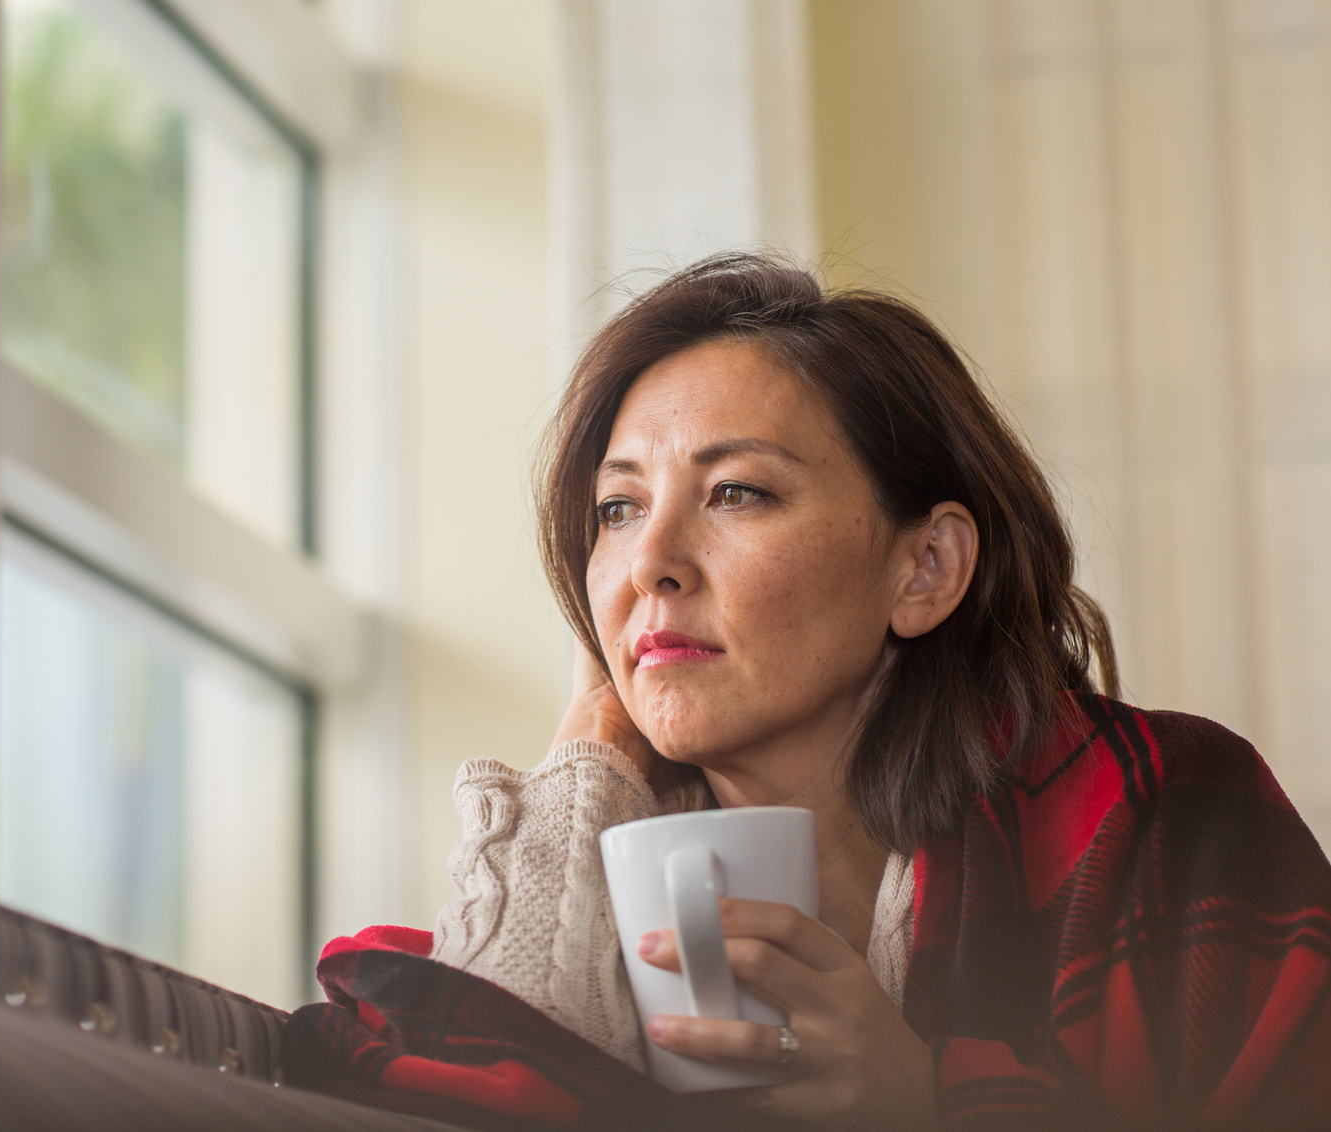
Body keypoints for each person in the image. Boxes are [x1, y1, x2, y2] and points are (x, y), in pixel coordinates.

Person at [332, 253, 1330, 1130]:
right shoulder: (584, 887)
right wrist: (576, 778)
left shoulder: (1171, 821)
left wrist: (933, 1107)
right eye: (616, 507)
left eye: (736, 491)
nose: (649, 564)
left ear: (924, 568)